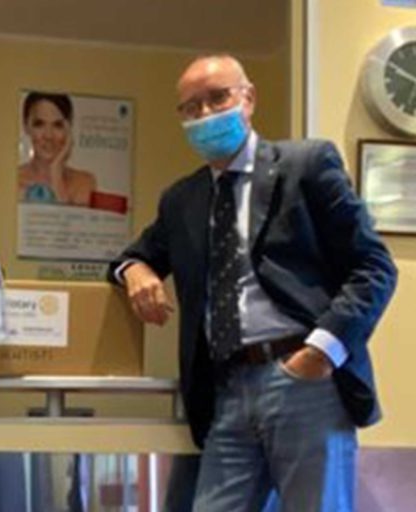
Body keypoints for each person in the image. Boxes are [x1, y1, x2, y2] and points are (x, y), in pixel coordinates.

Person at [109, 54, 397, 511]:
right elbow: (131, 257)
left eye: (217, 98)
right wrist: (136, 271)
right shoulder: (182, 200)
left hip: (305, 379)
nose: (205, 114)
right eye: (191, 107)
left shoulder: (306, 165)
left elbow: (375, 266)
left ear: (248, 98)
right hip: (224, 390)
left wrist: (321, 352)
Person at [18, 92, 97, 206]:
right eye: (39, 124)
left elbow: (68, 218)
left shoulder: (84, 183)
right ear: (26, 126)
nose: (48, 136)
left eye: (57, 125)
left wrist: (56, 174)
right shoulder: (13, 179)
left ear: (68, 129)